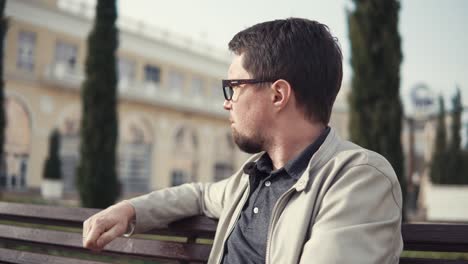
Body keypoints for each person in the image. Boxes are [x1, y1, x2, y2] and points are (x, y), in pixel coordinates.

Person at [83, 18, 403, 263]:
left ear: (278, 94)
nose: (228, 101)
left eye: (235, 87)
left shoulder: (358, 179)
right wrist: (128, 209)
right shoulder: (255, 176)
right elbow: (198, 195)